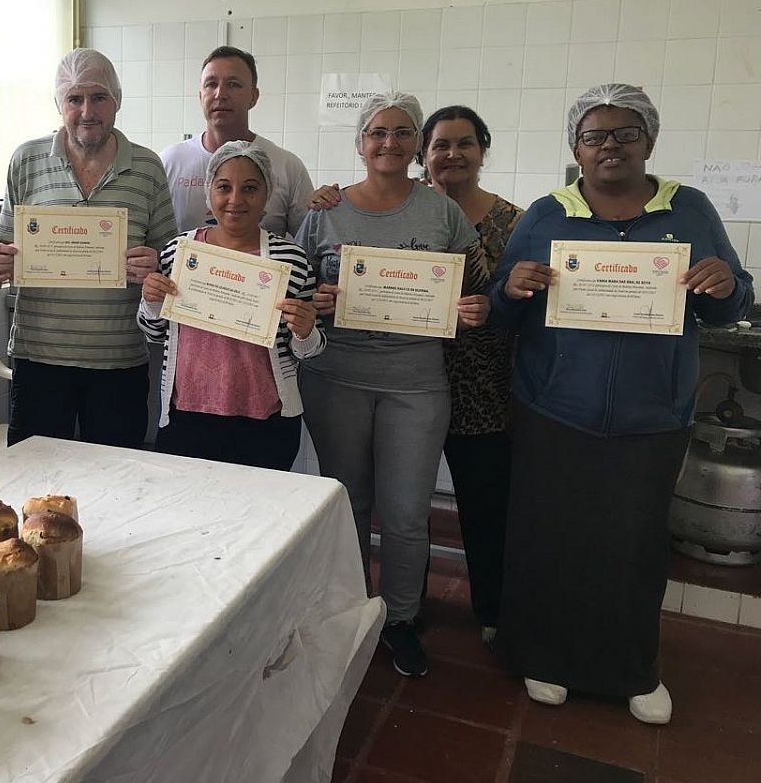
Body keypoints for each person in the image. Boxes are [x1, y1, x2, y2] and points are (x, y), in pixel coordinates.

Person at [490, 83, 754, 724]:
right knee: (549, 537)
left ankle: (632, 669)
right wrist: (512, 288)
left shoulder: (689, 210)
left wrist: (724, 284)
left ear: (649, 141)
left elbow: (731, 304)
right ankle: (545, 657)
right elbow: (500, 311)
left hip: (653, 415)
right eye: (594, 136)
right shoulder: (545, 215)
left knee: (634, 545)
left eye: (625, 133)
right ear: (576, 148)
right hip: (555, 409)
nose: (609, 145)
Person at [295, 91, 490, 678]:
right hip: (335, 377)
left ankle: (401, 618)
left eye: (403, 132)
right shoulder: (325, 211)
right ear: (360, 143)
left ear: (417, 144)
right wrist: (314, 299)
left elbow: (475, 286)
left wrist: (471, 309)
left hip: (416, 384)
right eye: (377, 132)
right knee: (348, 503)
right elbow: (293, 286)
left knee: (406, 512)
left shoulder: (441, 212)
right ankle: (353, 609)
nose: (389, 142)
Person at [0, 49, 177, 448]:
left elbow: (170, 261)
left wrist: (155, 265)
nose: (87, 111)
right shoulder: (26, 160)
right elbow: (4, 250)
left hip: (118, 359)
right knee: (36, 472)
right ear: (59, 104)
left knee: (115, 474)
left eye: (99, 97)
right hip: (39, 356)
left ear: (117, 102)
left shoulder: (147, 167)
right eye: (75, 99)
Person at [138, 142, 324, 470]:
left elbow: (308, 350)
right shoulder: (178, 252)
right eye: (224, 187)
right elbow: (155, 334)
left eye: (250, 188)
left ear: (267, 193)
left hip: (266, 420)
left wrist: (305, 330)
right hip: (187, 415)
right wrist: (151, 302)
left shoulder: (290, 259)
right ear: (209, 192)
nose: (235, 200)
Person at [418, 106, 522, 645]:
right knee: (404, 504)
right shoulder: (400, 210)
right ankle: (404, 605)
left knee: (485, 506)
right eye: (441, 144)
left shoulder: (517, 222)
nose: (453, 154)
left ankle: (493, 611)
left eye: (465, 143)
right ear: (423, 154)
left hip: (483, 388)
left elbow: (531, 302)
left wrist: (496, 307)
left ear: (483, 150)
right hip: (408, 379)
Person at [161, 46, 314, 236]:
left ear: (253, 97)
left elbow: (309, 242)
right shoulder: (169, 163)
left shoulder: (287, 167)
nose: (220, 94)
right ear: (200, 96)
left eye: (233, 84)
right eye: (211, 84)